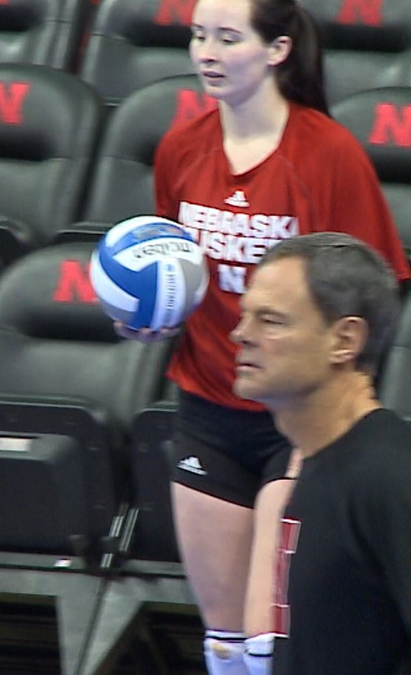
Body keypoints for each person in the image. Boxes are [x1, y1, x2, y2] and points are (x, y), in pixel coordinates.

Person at [121, 0, 411, 673]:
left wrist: (342, 416)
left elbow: (371, 292)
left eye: (228, 38)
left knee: (268, 637)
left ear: (277, 50)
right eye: (198, 36)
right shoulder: (180, 147)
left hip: (300, 422)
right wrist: (146, 314)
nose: (207, 53)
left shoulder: (328, 153)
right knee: (224, 642)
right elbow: (175, 269)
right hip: (208, 410)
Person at [229, 232, 411, 675]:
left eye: (270, 321)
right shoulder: (310, 465)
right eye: (245, 316)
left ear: (344, 340)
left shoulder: (391, 477)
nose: (240, 334)